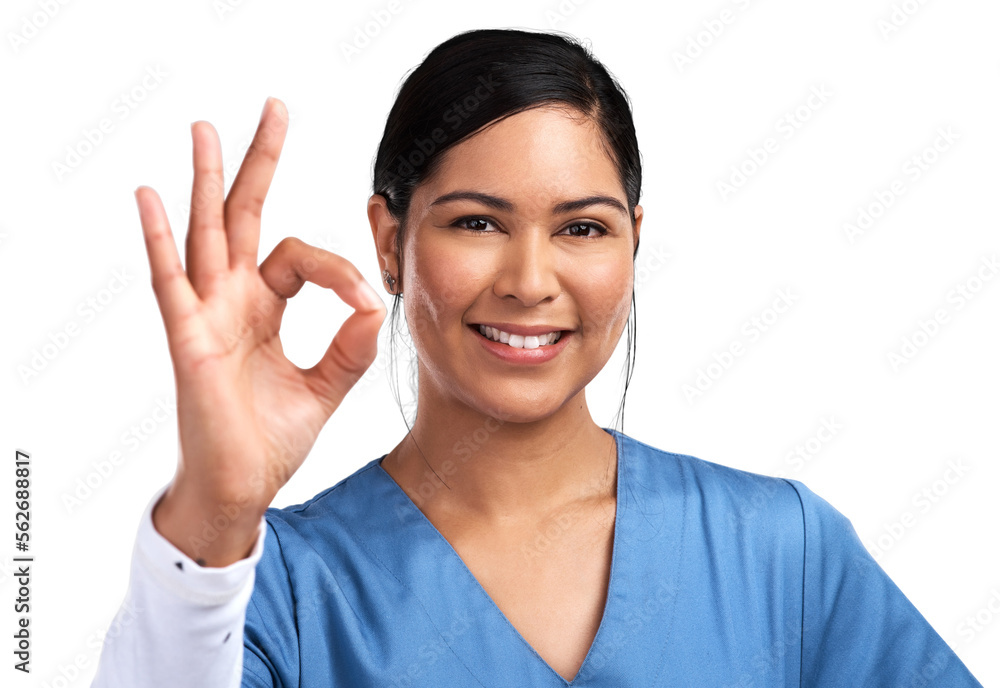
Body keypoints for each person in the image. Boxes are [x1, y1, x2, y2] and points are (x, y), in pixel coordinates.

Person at [91, 28, 983, 687]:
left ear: (634, 243)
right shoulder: (276, 589)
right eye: (476, 222)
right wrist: (215, 505)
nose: (529, 280)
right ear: (391, 242)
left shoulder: (780, 553)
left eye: (582, 228)